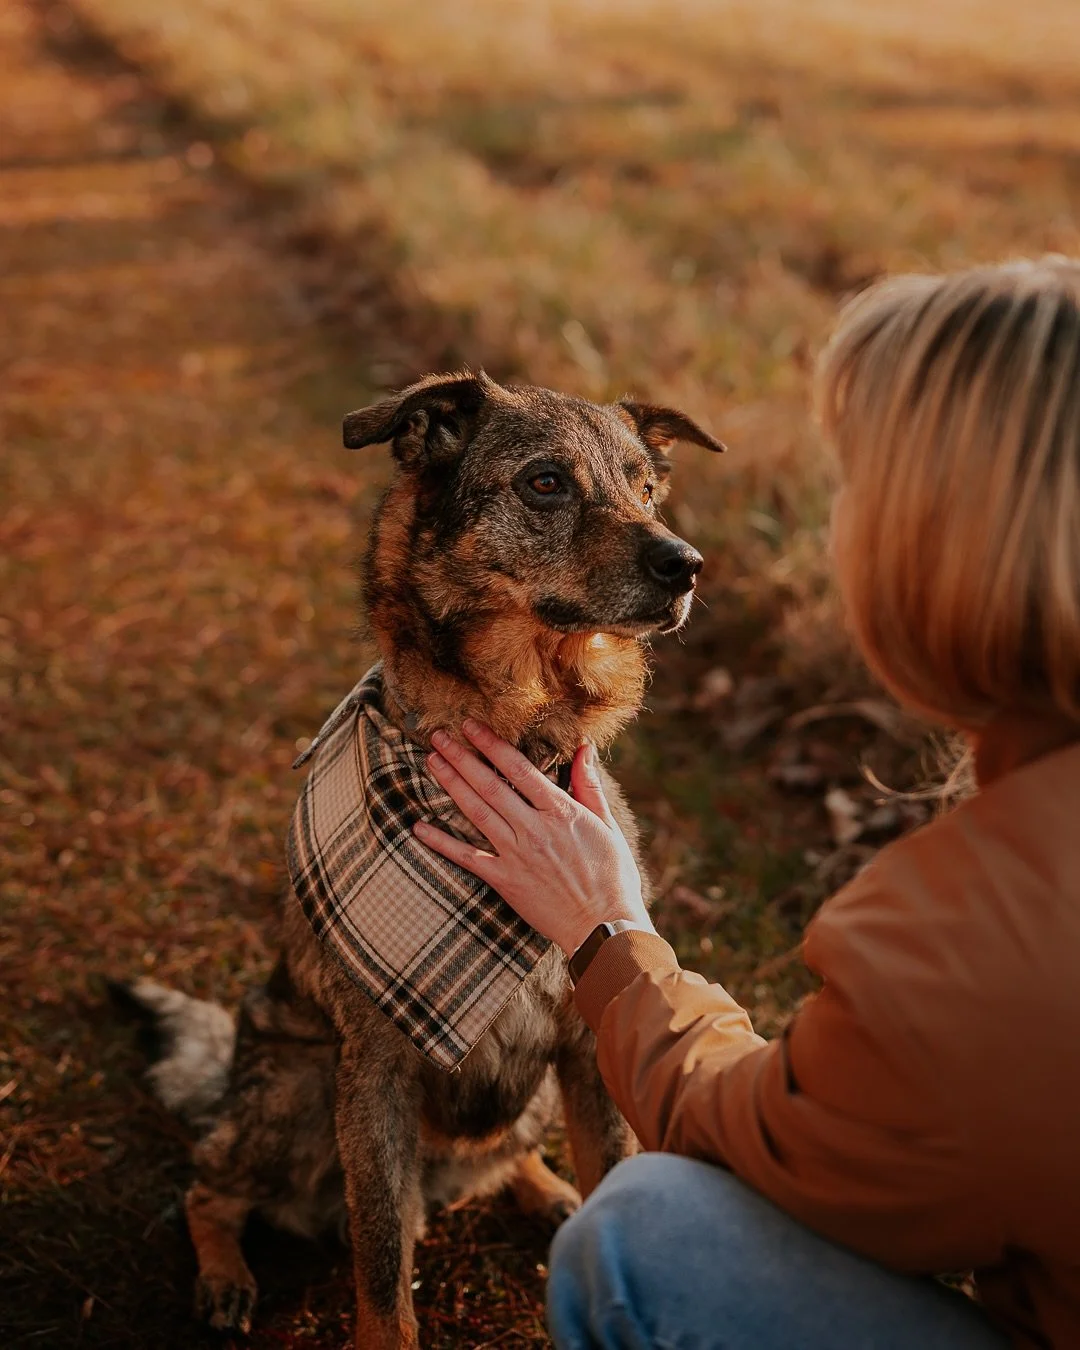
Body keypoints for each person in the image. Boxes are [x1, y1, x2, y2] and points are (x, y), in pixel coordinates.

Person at [412, 258, 1080, 1349]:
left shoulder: (982, 938)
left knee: (639, 1236)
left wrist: (608, 933)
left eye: (858, 482)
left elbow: (775, 1141)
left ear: (948, 546)